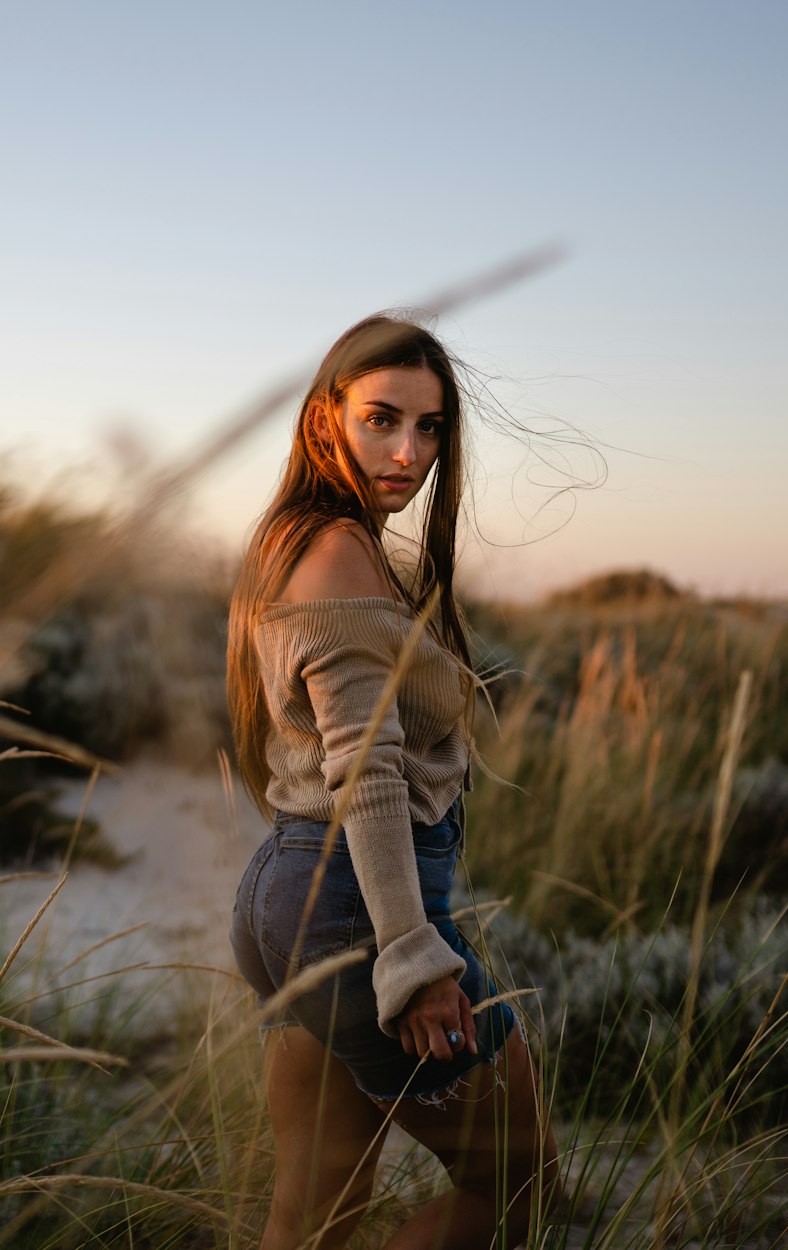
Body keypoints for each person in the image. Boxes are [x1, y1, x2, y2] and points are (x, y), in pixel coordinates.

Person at [227, 314, 559, 1250]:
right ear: (326, 415)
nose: (407, 452)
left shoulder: (299, 540)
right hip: (355, 911)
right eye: (381, 419)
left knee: (315, 1214)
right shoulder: (337, 550)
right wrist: (412, 958)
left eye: (430, 427)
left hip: (291, 892)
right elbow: (366, 772)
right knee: (516, 1180)